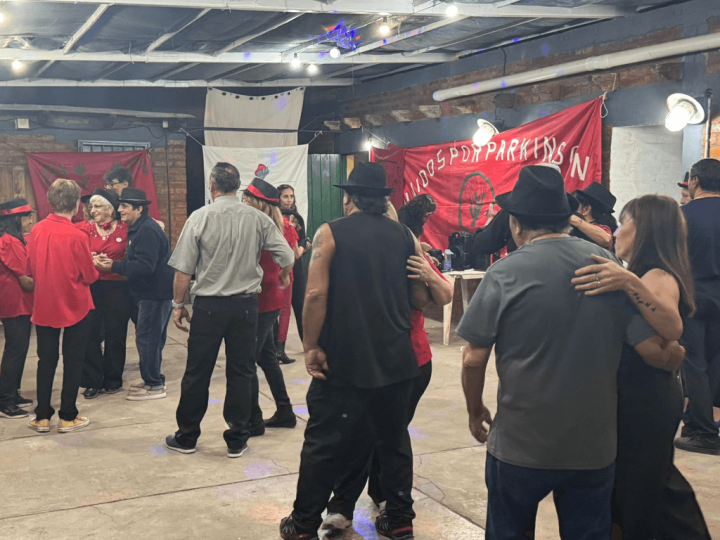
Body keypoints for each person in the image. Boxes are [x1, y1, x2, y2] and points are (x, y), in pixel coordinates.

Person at [456, 165, 681, 540]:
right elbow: (650, 348)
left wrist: (474, 408)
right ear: (567, 219)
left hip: (519, 444)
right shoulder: (606, 266)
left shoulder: (504, 273)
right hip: (593, 447)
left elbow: (472, 358)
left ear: (516, 224)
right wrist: (677, 354)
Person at [280, 162, 428, 540]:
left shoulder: (330, 232)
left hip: (344, 360)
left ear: (349, 198)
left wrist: (311, 346)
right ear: (382, 200)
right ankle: (399, 520)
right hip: (397, 360)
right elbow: (419, 297)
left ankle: (303, 523)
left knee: (323, 443)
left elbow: (315, 294)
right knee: (394, 443)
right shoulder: (406, 235)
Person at [572, 195, 710, 539]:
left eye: (625, 223)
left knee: (642, 493)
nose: (617, 231)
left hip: (644, 399)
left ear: (646, 229)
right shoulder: (645, 272)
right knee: (654, 486)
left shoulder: (656, 275)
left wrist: (628, 282)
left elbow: (671, 328)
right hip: (641, 396)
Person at [322, 201, 454, 536]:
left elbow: (445, 294)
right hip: (371, 359)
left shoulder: (407, 252)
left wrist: (427, 272)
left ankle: (372, 506)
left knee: (380, 435)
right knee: (373, 434)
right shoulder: (351, 254)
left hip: (409, 360)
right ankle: (377, 503)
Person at [164, 163, 294, 458]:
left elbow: (183, 270)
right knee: (242, 372)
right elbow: (286, 254)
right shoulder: (257, 218)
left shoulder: (200, 217)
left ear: (212, 185)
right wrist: (285, 275)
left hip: (209, 307)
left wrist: (178, 305)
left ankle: (187, 437)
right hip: (246, 307)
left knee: (197, 372)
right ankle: (237, 439)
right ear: (237, 186)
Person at [27, 179, 99, 433]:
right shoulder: (77, 235)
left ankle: (42, 416)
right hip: (75, 304)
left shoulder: (36, 230)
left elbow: (29, 268)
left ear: (50, 201)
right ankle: (68, 415)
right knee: (73, 359)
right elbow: (89, 276)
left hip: (44, 304)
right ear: (77, 204)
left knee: (45, 360)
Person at [95, 187, 173, 402]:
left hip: (154, 295)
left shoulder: (147, 230)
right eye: (119, 206)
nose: (120, 210)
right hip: (149, 293)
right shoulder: (139, 228)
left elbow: (145, 267)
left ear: (139, 209)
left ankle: (154, 384)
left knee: (148, 339)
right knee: (150, 338)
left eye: (124, 206)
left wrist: (113, 266)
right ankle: (152, 379)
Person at [242, 179, 299, 435]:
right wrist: (283, 276)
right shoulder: (282, 225)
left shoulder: (261, 227)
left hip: (261, 300)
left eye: (247, 201)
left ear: (258, 204)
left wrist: (283, 275)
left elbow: (289, 257)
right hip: (270, 298)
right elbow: (291, 256)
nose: (244, 204)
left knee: (246, 362)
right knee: (267, 358)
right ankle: (285, 412)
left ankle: (253, 420)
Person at [675, 158, 720, 455]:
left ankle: (704, 432)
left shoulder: (681, 216)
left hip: (692, 294)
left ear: (694, 182)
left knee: (693, 363)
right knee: (715, 362)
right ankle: (699, 422)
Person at [75, 188, 131, 399]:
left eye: (98, 206)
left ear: (110, 210)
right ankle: (92, 381)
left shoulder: (125, 228)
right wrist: (89, 258)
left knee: (115, 333)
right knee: (90, 333)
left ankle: (113, 379)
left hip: (118, 287)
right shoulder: (85, 228)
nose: (93, 210)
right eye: (91, 207)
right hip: (92, 286)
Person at [0, 198, 36, 419]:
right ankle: (5, 401)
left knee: (19, 349)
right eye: (27, 216)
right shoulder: (9, 241)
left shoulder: (12, 239)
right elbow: (26, 280)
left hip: (18, 302)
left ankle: (12, 392)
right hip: (15, 302)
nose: (31, 221)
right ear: (15, 219)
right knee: (15, 349)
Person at [276, 184, 306, 362]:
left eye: (291, 196)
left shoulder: (297, 217)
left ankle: (307, 344)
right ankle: (277, 347)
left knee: (300, 306)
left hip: (296, 266)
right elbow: (297, 248)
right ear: (278, 198)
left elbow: (301, 239)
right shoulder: (275, 217)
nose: (289, 200)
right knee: (280, 309)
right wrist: (304, 247)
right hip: (283, 265)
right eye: (285, 196)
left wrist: (303, 246)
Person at [570, 182, 617, 249]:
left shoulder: (602, 230)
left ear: (586, 209)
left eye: (575, 204)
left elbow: (606, 239)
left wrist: (573, 219)